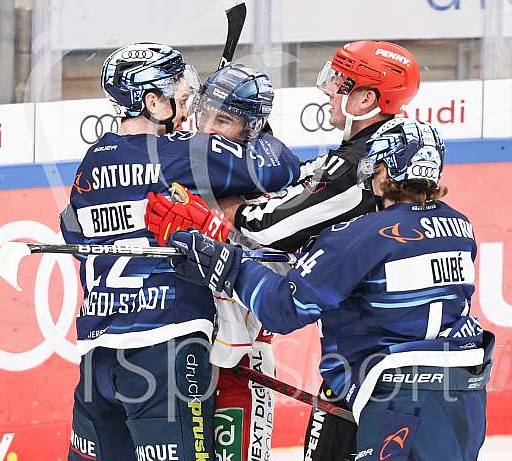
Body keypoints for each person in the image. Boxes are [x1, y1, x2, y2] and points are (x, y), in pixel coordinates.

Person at [144, 40, 422, 461]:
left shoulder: (359, 164)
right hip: (194, 353)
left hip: (351, 363)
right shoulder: (352, 155)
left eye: (341, 82)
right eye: (209, 117)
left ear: (367, 98)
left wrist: (223, 212)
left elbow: (277, 219)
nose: (328, 89)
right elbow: (301, 178)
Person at [166, 118, 494, 461]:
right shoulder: (460, 227)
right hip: (465, 393)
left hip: (397, 402)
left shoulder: (357, 236)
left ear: (383, 174)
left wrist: (228, 264)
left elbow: (284, 309)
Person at [60, 43, 300, 461]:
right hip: (166, 349)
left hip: (97, 353)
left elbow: (70, 230)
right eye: (176, 89)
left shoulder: (91, 160)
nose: (186, 100)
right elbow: (279, 167)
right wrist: (256, 128)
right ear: (152, 101)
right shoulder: (185, 152)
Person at [146, 63, 285, 461]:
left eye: (222, 120)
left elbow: (277, 281)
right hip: (175, 349)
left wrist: (218, 232)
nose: (207, 127)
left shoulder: (263, 186)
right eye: (205, 112)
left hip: (238, 361)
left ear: (251, 130)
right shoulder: (180, 156)